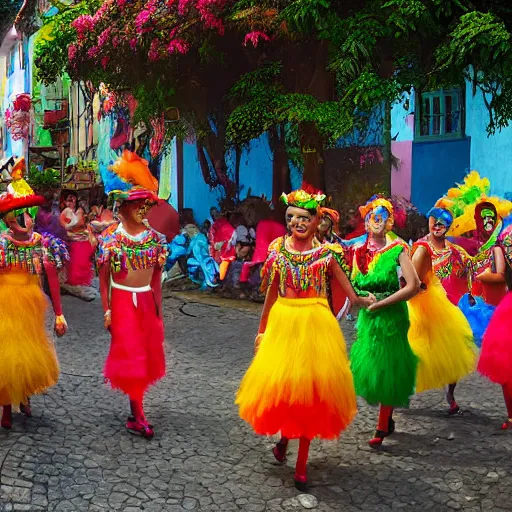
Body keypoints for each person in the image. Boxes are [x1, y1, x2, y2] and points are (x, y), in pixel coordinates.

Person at [236, 188, 374, 489]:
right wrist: (261, 329)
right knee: (287, 388)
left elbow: (349, 291)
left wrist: (364, 299)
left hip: (315, 326)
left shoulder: (327, 254)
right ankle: (285, 441)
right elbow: (271, 294)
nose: (297, 223)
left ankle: (301, 465)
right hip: (284, 323)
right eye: (291, 217)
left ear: (317, 220)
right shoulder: (278, 251)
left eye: (304, 217)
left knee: (309, 394)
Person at [97, 150, 168, 438]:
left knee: (144, 355)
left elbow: (156, 279)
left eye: (146, 204)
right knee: (132, 355)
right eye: (137, 204)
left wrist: (159, 311)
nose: (143, 210)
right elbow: (104, 280)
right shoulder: (111, 240)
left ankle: (135, 410)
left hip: (145, 302)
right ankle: (138, 414)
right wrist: (107, 309)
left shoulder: (154, 239)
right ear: (122, 206)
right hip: (123, 300)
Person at [349, 195, 420, 448]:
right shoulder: (358, 251)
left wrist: (383, 303)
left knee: (389, 369)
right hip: (368, 321)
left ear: (389, 221)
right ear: (366, 222)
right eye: (372, 217)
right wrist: (359, 298)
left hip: (391, 319)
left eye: (382, 217)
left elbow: (414, 286)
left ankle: (381, 426)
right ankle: (386, 418)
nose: (376, 221)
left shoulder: (398, 250)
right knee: (374, 369)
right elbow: (352, 285)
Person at [0, 187, 68, 429]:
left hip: (31, 304)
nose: (25, 219)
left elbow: (50, 277)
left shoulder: (40, 244)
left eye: (27, 213)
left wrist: (59, 314)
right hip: (6, 304)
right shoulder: (2, 246)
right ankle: (7, 405)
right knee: (7, 354)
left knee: (28, 351)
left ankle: (25, 395)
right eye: (18, 214)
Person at [408, 206, 478, 415]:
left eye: (442, 223)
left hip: (445, 306)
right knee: (411, 351)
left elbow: (470, 264)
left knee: (455, 345)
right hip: (420, 304)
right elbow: (411, 279)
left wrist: (471, 287)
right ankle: (396, 395)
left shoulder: (453, 249)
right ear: (428, 222)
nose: (437, 226)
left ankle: (450, 394)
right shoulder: (422, 247)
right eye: (434, 222)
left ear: (448, 226)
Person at [477, 264, 512, 430]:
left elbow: (499, 276)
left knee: (507, 369)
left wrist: (482, 275)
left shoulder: (502, 242)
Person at [59, 190, 98, 301]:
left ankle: (81, 284)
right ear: (64, 201)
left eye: (73, 199)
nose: (71, 202)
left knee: (83, 263)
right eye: (69, 200)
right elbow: (67, 227)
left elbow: (83, 225)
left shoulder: (78, 211)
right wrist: (78, 223)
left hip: (83, 240)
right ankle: (74, 285)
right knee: (74, 264)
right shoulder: (65, 212)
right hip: (72, 240)